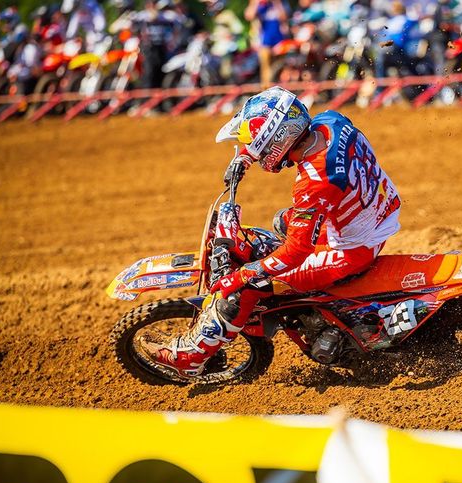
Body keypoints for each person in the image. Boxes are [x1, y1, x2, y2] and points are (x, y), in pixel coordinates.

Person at [142, 86, 402, 377]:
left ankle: (190, 359)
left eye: (257, 144)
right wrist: (245, 157)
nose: (257, 150)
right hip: (375, 210)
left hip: (352, 249)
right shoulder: (331, 121)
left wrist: (243, 275)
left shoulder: (315, 181)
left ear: (277, 139)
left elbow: (296, 251)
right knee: (281, 222)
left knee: (248, 286)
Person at [245, 0, 288, 86]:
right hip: (264, 42)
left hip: (279, 41)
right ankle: (266, 89)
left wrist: (276, 2)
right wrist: (256, 2)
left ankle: (279, 88)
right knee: (265, 69)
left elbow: (284, 17)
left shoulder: (278, 3)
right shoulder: (260, 4)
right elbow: (249, 16)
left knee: (280, 67)